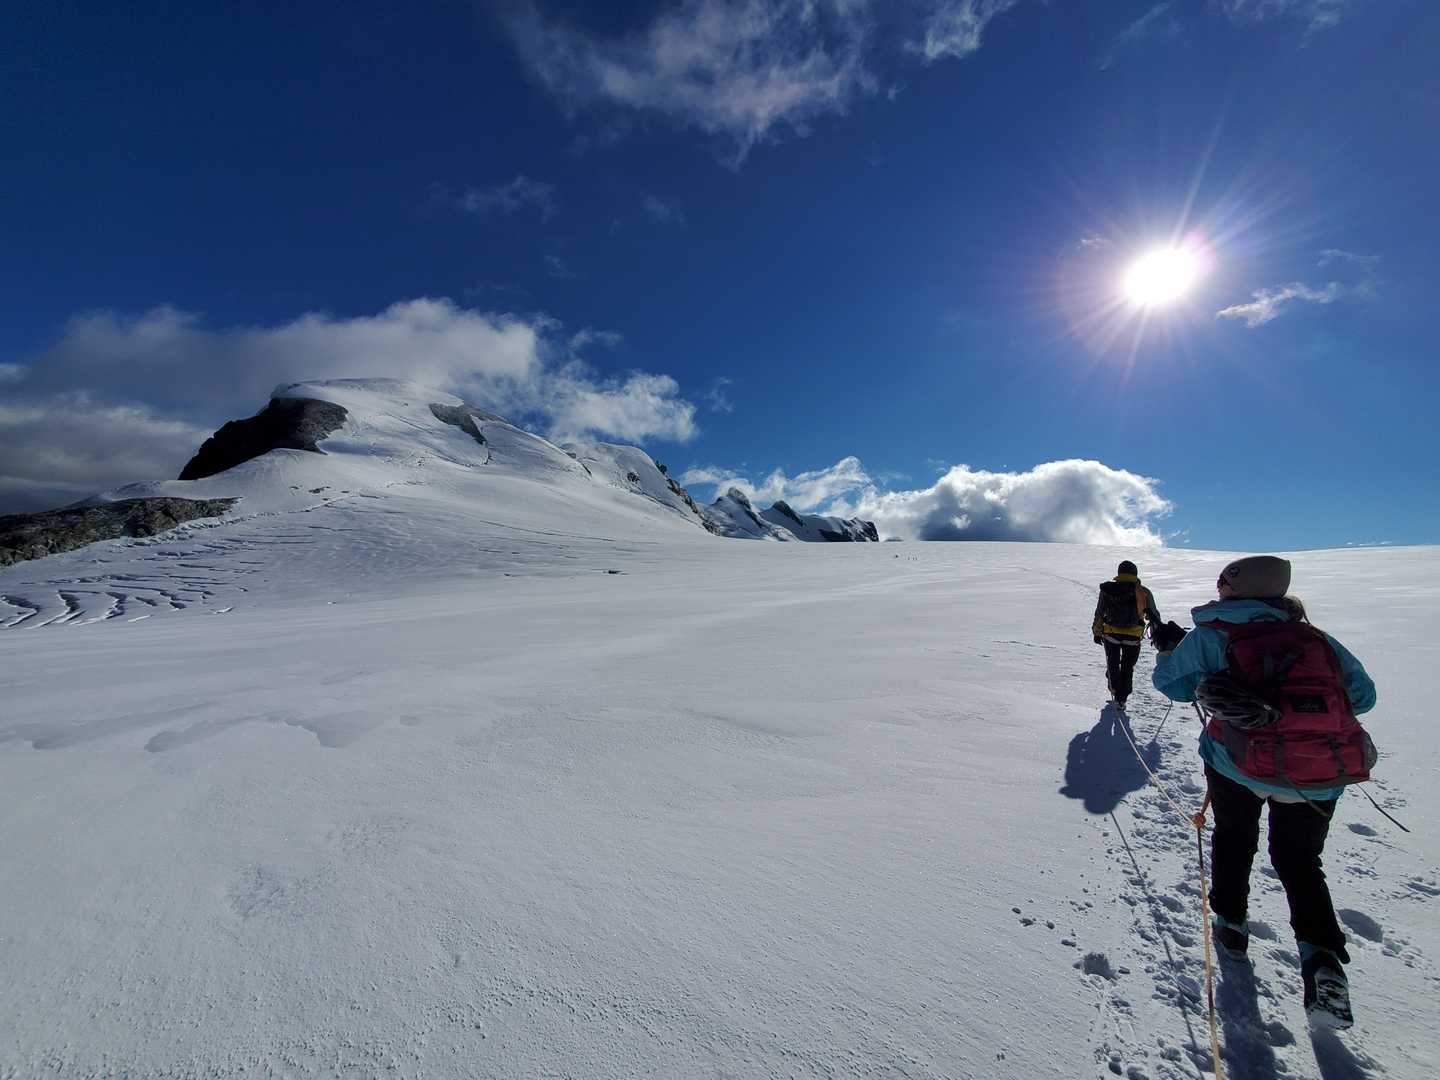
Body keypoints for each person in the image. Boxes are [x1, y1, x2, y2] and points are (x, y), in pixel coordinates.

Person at [1152, 555, 1377, 1029]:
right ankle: (1321, 960)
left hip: (1236, 764)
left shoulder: (1212, 635)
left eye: (1224, 583)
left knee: (1234, 840)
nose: (1218, 589)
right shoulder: (1314, 638)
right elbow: (1363, 696)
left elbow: (1172, 687)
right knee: (1300, 861)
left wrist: (1172, 655)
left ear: (1237, 589)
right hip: (1318, 772)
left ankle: (1231, 926)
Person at [1091, 560, 1163, 710]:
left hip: (1111, 633)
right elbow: (1153, 614)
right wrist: (1158, 632)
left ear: (1119, 573)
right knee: (1128, 667)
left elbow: (1100, 612)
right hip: (1133, 636)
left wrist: (1096, 632)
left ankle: (1113, 686)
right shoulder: (1143, 591)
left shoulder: (1108, 589)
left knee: (1112, 662)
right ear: (1135, 573)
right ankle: (1122, 699)